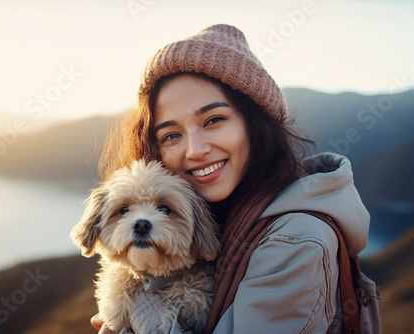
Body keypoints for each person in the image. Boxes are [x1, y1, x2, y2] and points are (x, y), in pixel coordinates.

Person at [91, 24, 370, 333]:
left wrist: (134, 312)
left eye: (214, 120)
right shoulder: (223, 212)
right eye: (171, 135)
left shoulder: (297, 241)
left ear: (255, 123)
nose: (195, 150)